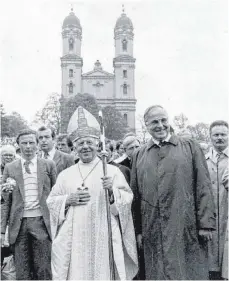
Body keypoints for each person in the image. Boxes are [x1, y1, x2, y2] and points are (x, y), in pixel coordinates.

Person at [47, 106, 138, 280]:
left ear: (97, 144)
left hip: (104, 233)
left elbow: (127, 200)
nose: (85, 147)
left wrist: (112, 191)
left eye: (89, 142)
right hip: (75, 239)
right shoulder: (66, 175)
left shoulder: (112, 172)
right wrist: (67, 200)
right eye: (80, 143)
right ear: (74, 147)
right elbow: (51, 201)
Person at [131, 105, 216, 280]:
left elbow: (203, 185)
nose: (161, 125)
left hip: (185, 226)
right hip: (152, 228)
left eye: (164, 120)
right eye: (155, 122)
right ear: (146, 125)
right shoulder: (140, 154)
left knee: (187, 271)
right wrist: (138, 230)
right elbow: (135, 195)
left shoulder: (190, 147)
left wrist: (206, 224)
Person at [1, 129, 57, 280]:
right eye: (24, 143)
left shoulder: (48, 165)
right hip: (18, 225)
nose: (28, 146)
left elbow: (55, 195)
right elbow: (6, 202)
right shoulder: (10, 167)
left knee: (43, 268)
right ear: (18, 145)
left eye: (31, 142)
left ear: (37, 145)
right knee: (22, 269)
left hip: (42, 222)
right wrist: (2, 230)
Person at [205, 120, 228, 280]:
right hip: (210, 219)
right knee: (211, 267)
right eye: (216, 134)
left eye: (223, 134)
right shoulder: (203, 160)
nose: (220, 138)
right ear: (210, 137)